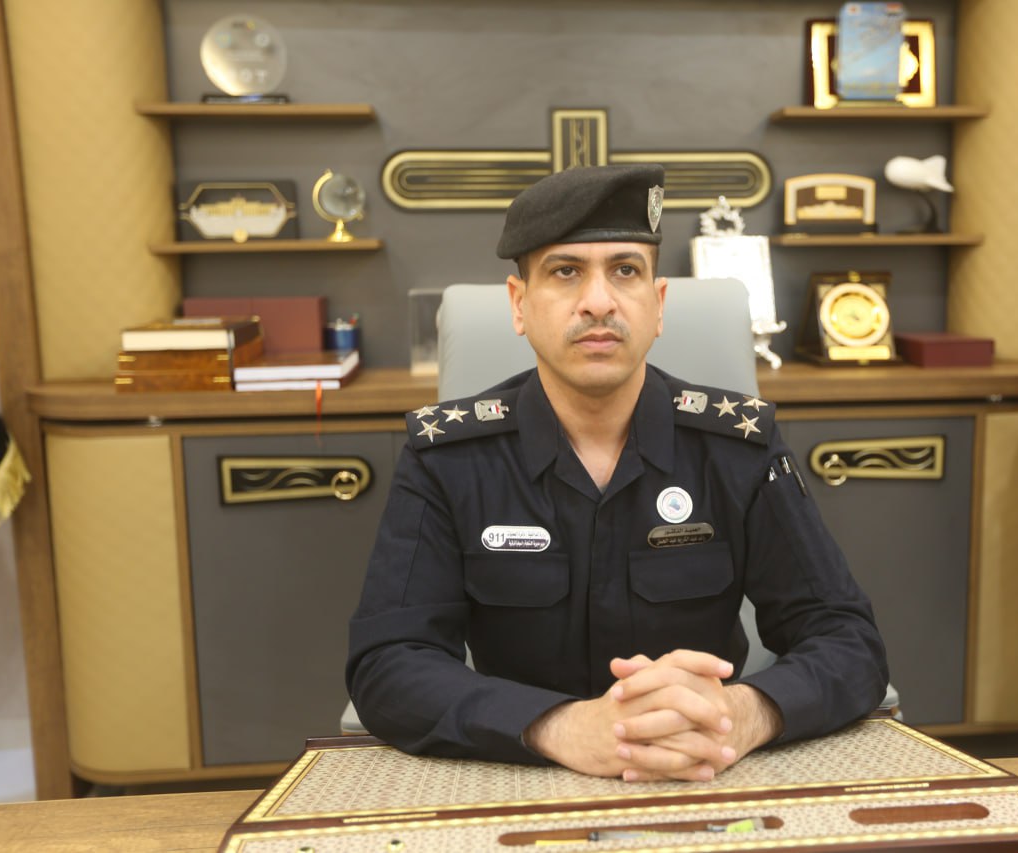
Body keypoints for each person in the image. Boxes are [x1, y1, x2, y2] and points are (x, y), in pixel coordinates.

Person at [347, 163, 888, 783]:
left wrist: (745, 713)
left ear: (658, 305)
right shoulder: (448, 458)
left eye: (625, 271)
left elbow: (848, 640)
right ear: (519, 305)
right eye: (565, 272)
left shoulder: (738, 448)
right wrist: (559, 726)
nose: (599, 301)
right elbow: (388, 665)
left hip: (704, 770)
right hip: (518, 771)